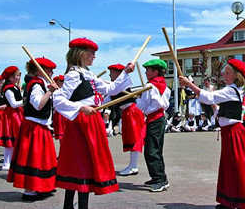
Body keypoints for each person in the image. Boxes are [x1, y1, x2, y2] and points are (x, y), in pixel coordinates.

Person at [52, 38, 135, 208]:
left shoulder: (88, 74)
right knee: (81, 164)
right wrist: (81, 107)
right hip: (82, 123)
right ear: (81, 53)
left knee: (84, 164)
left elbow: (112, 88)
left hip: (91, 122)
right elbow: (58, 99)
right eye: (92, 52)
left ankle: (72, 205)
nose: (94, 56)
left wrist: (126, 72)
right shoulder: (74, 75)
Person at [179, 59, 245, 209]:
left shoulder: (230, 90)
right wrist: (216, 107)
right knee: (230, 167)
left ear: (235, 75)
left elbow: (208, 98)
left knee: (237, 167)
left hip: (234, 133)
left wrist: (189, 84)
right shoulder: (232, 90)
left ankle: (243, 201)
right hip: (230, 133)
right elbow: (222, 113)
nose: (224, 75)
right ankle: (230, 200)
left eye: (227, 73)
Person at [7, 57, 58, 202]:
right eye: (49, 69)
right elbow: (38, 105)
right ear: (39, 70)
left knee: (42, 159)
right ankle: (29, 191)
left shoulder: (41, 83)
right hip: (34, 127)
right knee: (32, 159)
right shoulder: (36, 84)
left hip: (40, 126)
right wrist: (50, 92)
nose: (52, 72)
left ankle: (41, 186)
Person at [137, 59, 171, 192]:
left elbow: (143, 106)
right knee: (157, 149)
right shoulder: (165, 86)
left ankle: (160, 179)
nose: (145, 72)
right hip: (160, 119)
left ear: (155, 72)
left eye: (148, 70)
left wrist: (135, 100)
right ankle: (159, 177)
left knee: (151, 151)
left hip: (154, 119)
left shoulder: (149, 87)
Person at [107, 63, 145, 177]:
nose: (109, 75)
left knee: (134, 138)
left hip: (132, 111)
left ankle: (133, 166)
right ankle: (132, 165)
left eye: (111, 72)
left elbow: (108, 97)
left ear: (118, 74)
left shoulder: (122, 83)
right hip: (127, 111)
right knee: (129, 138)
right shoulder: (115, 85)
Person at [1, 66, 24, 170]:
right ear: (10, 77)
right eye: (17, 75)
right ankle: (6, 162)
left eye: (19, 75)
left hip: (17, 114)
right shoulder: (8, 89)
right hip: (12, 115)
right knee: (10, 139)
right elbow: (13, 104)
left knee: (15, 139)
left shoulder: (14, 88)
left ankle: (13, 161)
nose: (19, 78)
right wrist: (25, 101)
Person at [52, 75, 68, 141]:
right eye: (61, 81)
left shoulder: (66, 90)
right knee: (62, 137)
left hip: (67, 114)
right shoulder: (55, 92)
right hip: (59, 114)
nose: (63, 83)